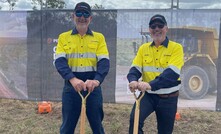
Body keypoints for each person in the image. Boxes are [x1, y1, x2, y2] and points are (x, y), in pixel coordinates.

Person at [54, 2, 110, 134]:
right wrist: (73, 79)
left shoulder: (99, 38)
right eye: (79, 13)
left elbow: (104, 62)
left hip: (93, 88)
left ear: (90, 18)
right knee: (67, 127)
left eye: (86, 14)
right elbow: (60, 62)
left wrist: (96, 81)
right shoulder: (63, 37)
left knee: (97, 126)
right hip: (71, 87)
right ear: (73, 16)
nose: (82, 17)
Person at [127, 14, 184, 134]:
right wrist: (132, 80)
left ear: (166, 28)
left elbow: (171, 74)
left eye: (160, 25)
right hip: (147, 96)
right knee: (134, 121)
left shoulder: (176, 48)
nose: (156, 29)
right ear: (149, 30)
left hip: (169, 98)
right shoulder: (143, 49)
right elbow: (135, 68)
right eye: (153, 26)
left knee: (165, 131)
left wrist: (150, 84)